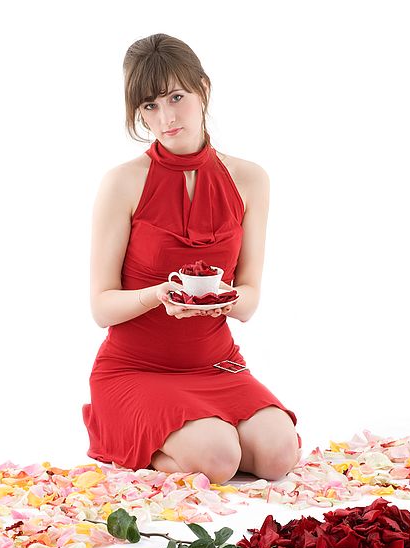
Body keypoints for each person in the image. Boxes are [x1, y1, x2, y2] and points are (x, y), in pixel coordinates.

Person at [81, 34, 302, 485]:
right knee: (220, 458)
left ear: (203, 88)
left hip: (216, 365)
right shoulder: (122, 183)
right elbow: (102, 306)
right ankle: (132, 434)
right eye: (149, 106)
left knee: (281, 454)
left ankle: (206, 437)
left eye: (176, 97)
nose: (165, 118)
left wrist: (224, 300)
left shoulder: (249, 180)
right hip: (136, 370)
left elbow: (250, 298)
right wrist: (160, 295)